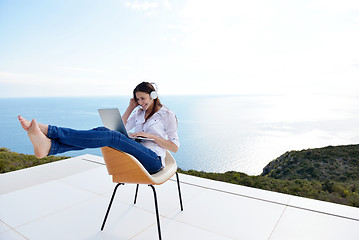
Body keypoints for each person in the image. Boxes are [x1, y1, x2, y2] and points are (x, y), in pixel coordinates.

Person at [18, 82, 180, 174]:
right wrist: (130, 108)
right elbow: (116, 129)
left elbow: (174, 147)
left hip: (153, 161)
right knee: (104, 132)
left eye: (143, 98)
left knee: (109, 136)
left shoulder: (167, 115)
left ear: (153, 96)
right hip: (137, 152)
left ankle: (51, 133)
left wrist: (151, 136)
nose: (140, 102)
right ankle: (49, 147)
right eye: (137, 99)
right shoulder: (137, 112)